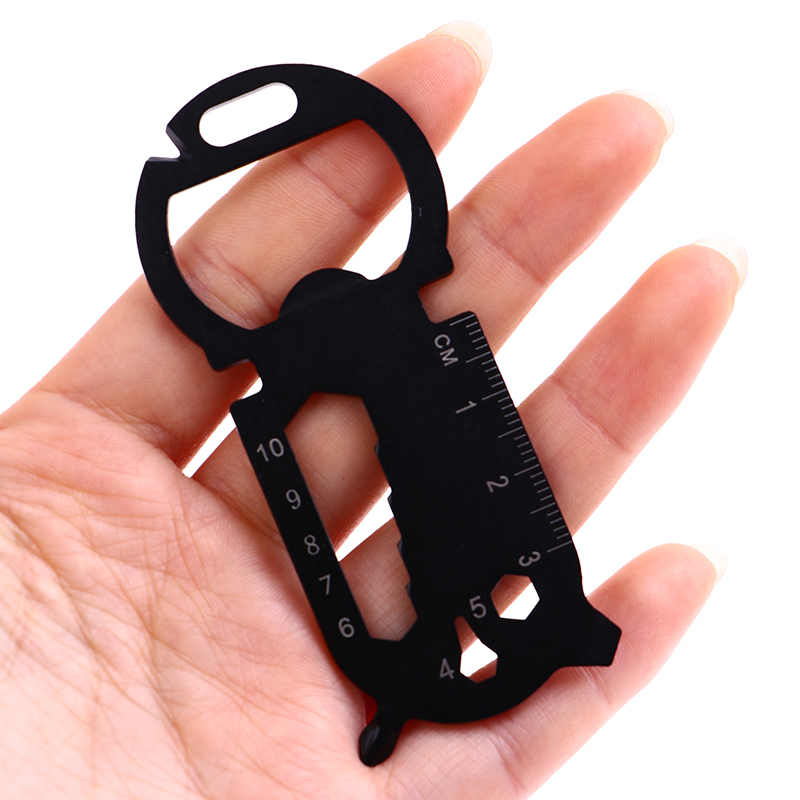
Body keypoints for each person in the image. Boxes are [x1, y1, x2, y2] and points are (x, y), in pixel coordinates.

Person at [0, 22, 743, 799]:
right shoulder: (351, 377)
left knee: (452, 566)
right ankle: (455, 655)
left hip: (445, 559)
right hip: (432, 576)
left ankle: (474, 649)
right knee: (446, 569)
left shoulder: (363, 375)